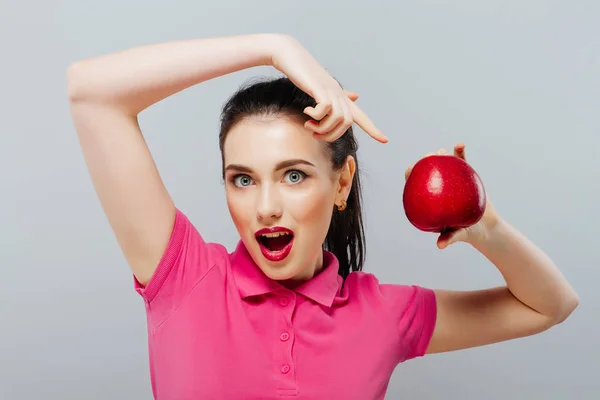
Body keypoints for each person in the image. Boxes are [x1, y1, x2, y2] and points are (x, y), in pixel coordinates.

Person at [66, 33, 579, 400]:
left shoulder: (382, 315)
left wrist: (486, 229)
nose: (265, 206)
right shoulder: (184, 279)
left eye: (293, 175)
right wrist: (272, 47)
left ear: (341, 181)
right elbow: (92, 93)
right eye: (243, 179)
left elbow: (549, 306)